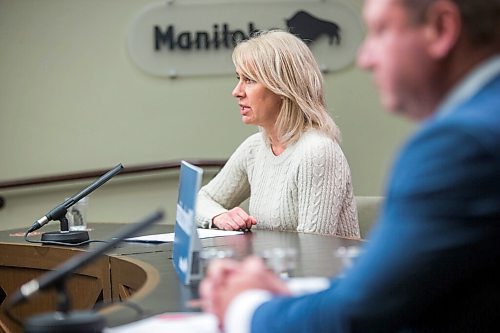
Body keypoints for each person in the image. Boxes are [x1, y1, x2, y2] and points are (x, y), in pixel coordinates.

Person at [199, 0, 500, 331]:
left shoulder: (461, 143)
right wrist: (220, 218)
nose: (365, 58)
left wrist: (246, 305)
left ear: (442, 28)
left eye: (380, 31)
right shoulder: (255, 146)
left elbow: (359, 304)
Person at [195, 30, 360, 237]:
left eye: (250, 80)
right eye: (239, 78)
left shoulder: (317, 151)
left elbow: (313, 252)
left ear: (283, 88)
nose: (236, 91)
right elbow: (200, 200)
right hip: (275, 266)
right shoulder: (255, 147)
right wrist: (218, 216)